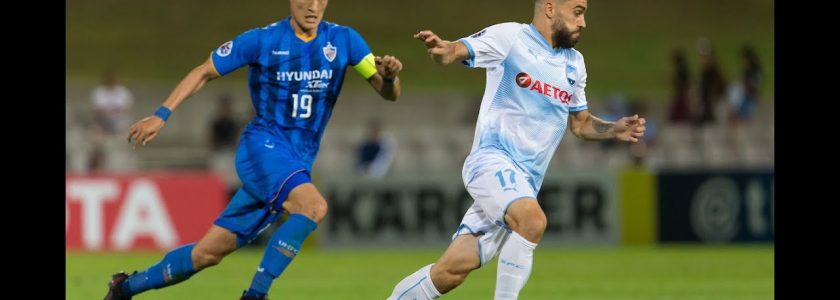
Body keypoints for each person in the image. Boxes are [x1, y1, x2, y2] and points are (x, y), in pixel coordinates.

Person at [104, 0, 403, 299]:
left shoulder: (344, 40)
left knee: (206, 254)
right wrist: (161, 114)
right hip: (263, 147)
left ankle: (125, 288)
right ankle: (256, 295)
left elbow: (388, 93)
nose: (312, 6)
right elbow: (203, 71)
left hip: (295, 161)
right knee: (313, 206)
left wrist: (389, 77)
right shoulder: (263, 40)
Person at [388, 1, 646, 299]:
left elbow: (580, 123)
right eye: (578, 11)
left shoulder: (574, 63)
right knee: (533, 221)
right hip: (491, 162)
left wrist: (613, 129)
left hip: (522, 185)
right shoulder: (511, 38)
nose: (583, 22)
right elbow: (456, 50)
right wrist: (444, 49)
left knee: (450, 273)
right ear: (550, 8)